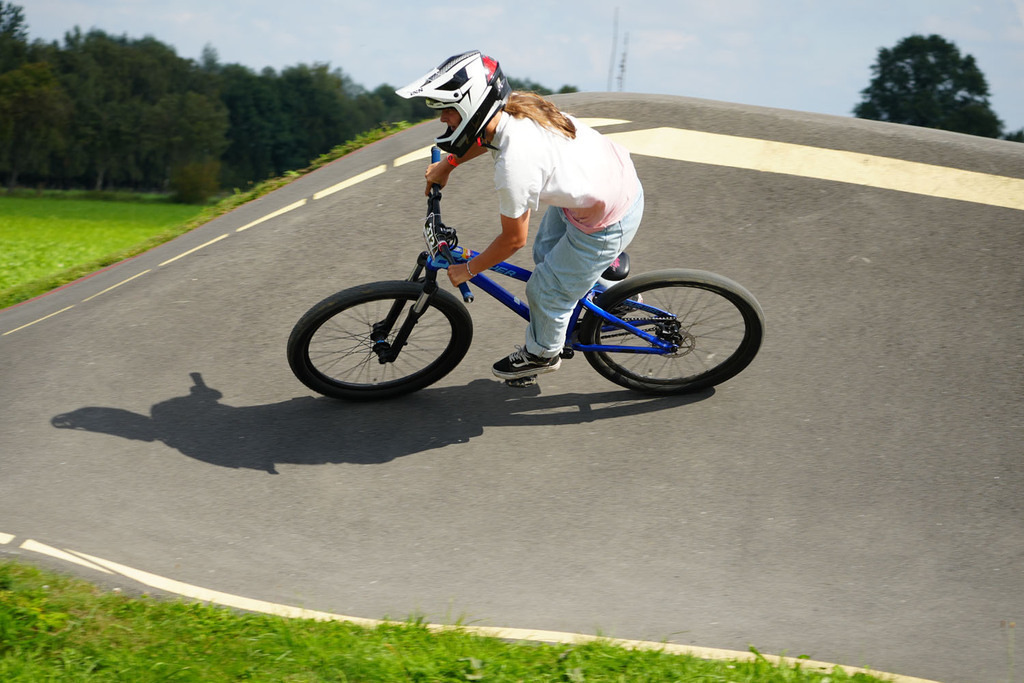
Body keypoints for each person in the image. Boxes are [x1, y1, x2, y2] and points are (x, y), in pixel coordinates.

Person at [396, 51, 644, 381]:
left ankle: (543, 354)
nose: (443, 119)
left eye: (448, 111)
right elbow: (485, 135)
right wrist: (448, 165)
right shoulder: (516, 107)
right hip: (605, 183)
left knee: (545, 291)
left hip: (607, 215)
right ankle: (612, 294)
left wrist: (468, 269)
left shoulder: (515, 165)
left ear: (471, 106)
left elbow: (513, 239)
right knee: (546, 254)